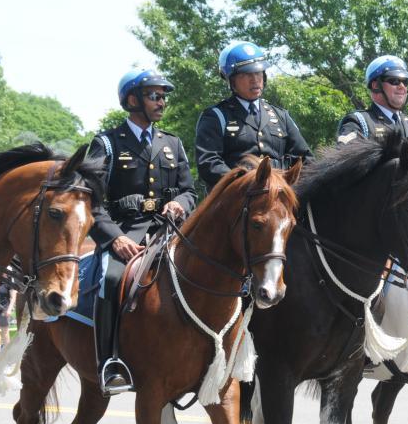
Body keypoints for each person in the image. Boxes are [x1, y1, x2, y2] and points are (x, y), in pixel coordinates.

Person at [88, 68, 197, 396]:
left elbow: (189, 191)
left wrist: (179, 203)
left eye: (163, 96)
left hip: (169, 229)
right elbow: (89, 201)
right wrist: (114, 238)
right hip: (126, 231)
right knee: (111, 279)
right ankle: (109, 362)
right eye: (154, 95)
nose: (161, 101)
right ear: (133, 100)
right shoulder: (107, 143)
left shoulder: (172, 143)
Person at [195, 40, 313, 192]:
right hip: (237, 197)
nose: (255, 79)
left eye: (258, 72)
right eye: (246, 74)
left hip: (280, 194)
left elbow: (306, 159)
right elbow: (208, 163)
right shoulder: (216, 116)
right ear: (231, 80)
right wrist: (246, 182)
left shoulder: (280, 116)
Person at [337, 55, 408, 149]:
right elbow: (345, 157)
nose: (402, 86)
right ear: (376, 85)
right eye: (394, 81)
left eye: (405, 82)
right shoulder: (358, 122)